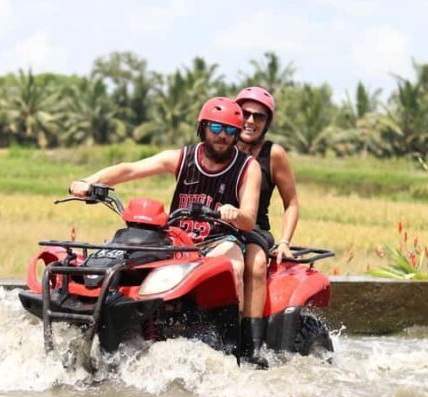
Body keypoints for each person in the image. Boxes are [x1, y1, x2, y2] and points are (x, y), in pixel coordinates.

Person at [68, 97, 268, 368]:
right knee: (129, 263)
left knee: (231, 267)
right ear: (202, 127)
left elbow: (248, 219)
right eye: (216, 128)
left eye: (230, 130)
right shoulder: (183, 157)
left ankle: (236, 351)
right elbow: (131, 168)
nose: (222, 136)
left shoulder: (247, 167)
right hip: (176, 238)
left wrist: (234, 213)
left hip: (220, 239)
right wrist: (90, 181)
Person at [234, 86, 300, 325]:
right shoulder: (221, 145)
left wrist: (284, 242)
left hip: (253, 229)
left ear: (267, 122)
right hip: (216, 225)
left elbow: (291, 203)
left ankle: (251, 337)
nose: (250, 121)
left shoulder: (274, 154)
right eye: (245, 113)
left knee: (257, 265)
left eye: (259, 116)